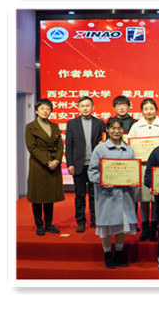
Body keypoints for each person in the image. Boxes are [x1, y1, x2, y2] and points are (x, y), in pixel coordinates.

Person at [88, 117, 138, 268]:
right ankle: (108, 254)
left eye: (119, 128)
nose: (116, 131)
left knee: (122, 224)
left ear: (123, 130)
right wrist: (103, 181)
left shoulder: (129, 149)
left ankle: (119, 253)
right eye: (113, 128)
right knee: (107, 226)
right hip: (107, 194)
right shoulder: (100, 149)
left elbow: (133, 170)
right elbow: (92, 171)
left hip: (124, 194)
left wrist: (134, 180)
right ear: (107, 130)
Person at [64, 96, 105, 233]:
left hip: (95, 165)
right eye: (83, 106)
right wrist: (70, 164)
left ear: (93, 107)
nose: (85, 108)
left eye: (88, 106)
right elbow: (69, 146)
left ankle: (95, 220)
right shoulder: (72, 123)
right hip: (78, 164)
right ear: (78, 108)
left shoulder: (100, 123)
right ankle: (80, 221)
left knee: (95, 195)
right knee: (80, 195)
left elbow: (103, 142)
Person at [24, 98, 64, 235]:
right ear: (36, 111)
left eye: (48, 108)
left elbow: (60, 145)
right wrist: (47, 162)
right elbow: (32, 147)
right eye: (42, 108)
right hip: (39, 164)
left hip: (54, 163)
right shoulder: (31, 127)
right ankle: (39, 225)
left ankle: (49, 224)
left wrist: (57, 160)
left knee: (49, 196)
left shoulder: (54, 126)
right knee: (37, 197)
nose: (45, 111)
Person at [129, 97, 159, 240]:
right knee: (143, 199)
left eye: (151, 108)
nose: (149, 111)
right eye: (146, 109)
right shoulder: (136, 127)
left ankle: (154, 227)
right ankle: (145, 227)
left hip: (158, 167)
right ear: (141, 111)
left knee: (156, 198)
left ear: (156, 109)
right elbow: (130, 146)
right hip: (142, 167)